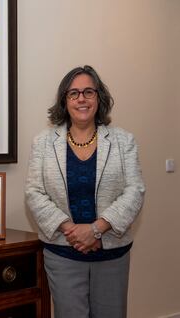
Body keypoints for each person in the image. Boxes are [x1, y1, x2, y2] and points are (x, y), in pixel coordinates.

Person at [25, 65, 145, 318]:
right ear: (64, 100)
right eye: (74, 93)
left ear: (99, 98)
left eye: (88, 92)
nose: (81, 99)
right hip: (63, 252)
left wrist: (96, 229)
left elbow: (135, 191)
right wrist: (73, 231)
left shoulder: (124, 141)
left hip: (112, 253)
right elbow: (34, 192)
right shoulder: (43, 143)